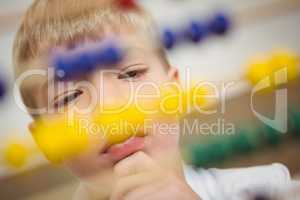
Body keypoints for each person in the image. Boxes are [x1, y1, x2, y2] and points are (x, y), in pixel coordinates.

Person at [12, 0, 292, 199]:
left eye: (131, 73)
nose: (110, 106)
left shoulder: (268, 188)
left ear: (176, 93)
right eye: (70, 96)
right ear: (46, 142)